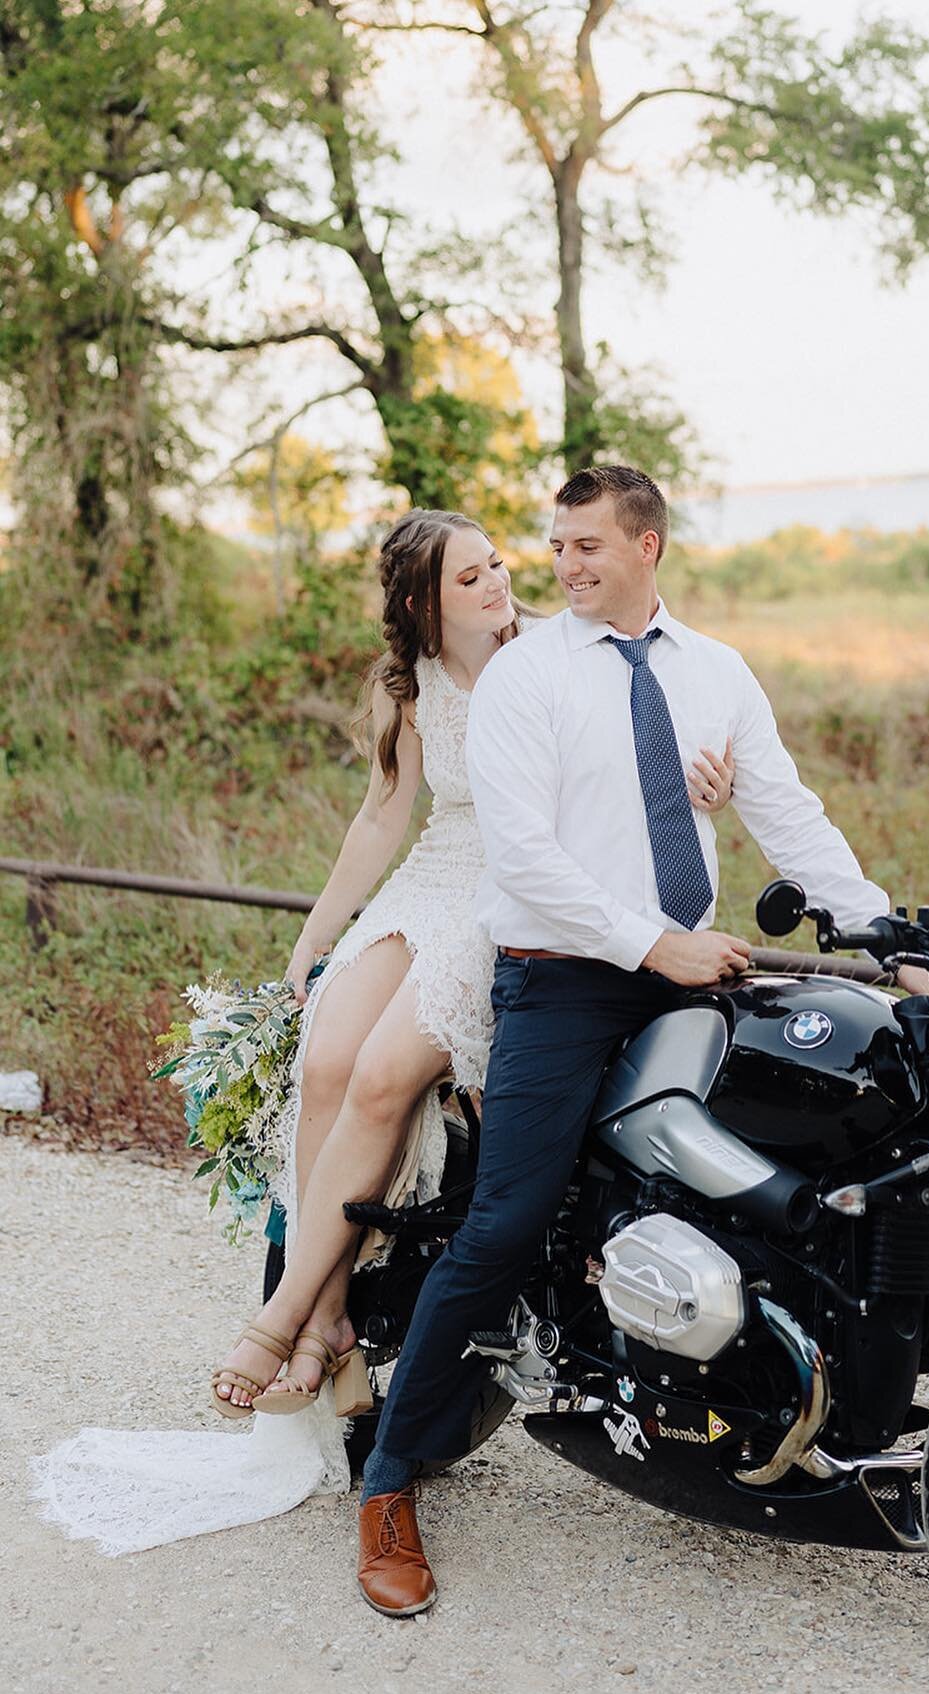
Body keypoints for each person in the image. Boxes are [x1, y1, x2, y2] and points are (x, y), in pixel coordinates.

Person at [28, 506, 735, 1556]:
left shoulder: (553, 654)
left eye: (499, 566)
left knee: (379, 1081)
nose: (499, 585)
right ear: (420, 605)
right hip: (432, 878)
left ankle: (286, 1326)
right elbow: (380, 815)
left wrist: (692, 784)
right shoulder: (403, 685)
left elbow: (624, 763)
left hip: (515, 892)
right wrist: (316, 941)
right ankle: (327, 1322)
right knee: (324, 1059)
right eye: (470, 579)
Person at [356, 464, 929, 1617]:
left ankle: (754, 1400)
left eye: (586, 548)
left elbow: (786, 813)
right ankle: (387, 1480)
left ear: (648, 545)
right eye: (555, 548)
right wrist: (651, 945)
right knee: (509, 1222)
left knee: (784, 1171)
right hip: (566, 977)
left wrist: (887, 935)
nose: (562, 568)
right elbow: (523, 860)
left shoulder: (716, 673)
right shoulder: (526, 677)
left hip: (687, 967)